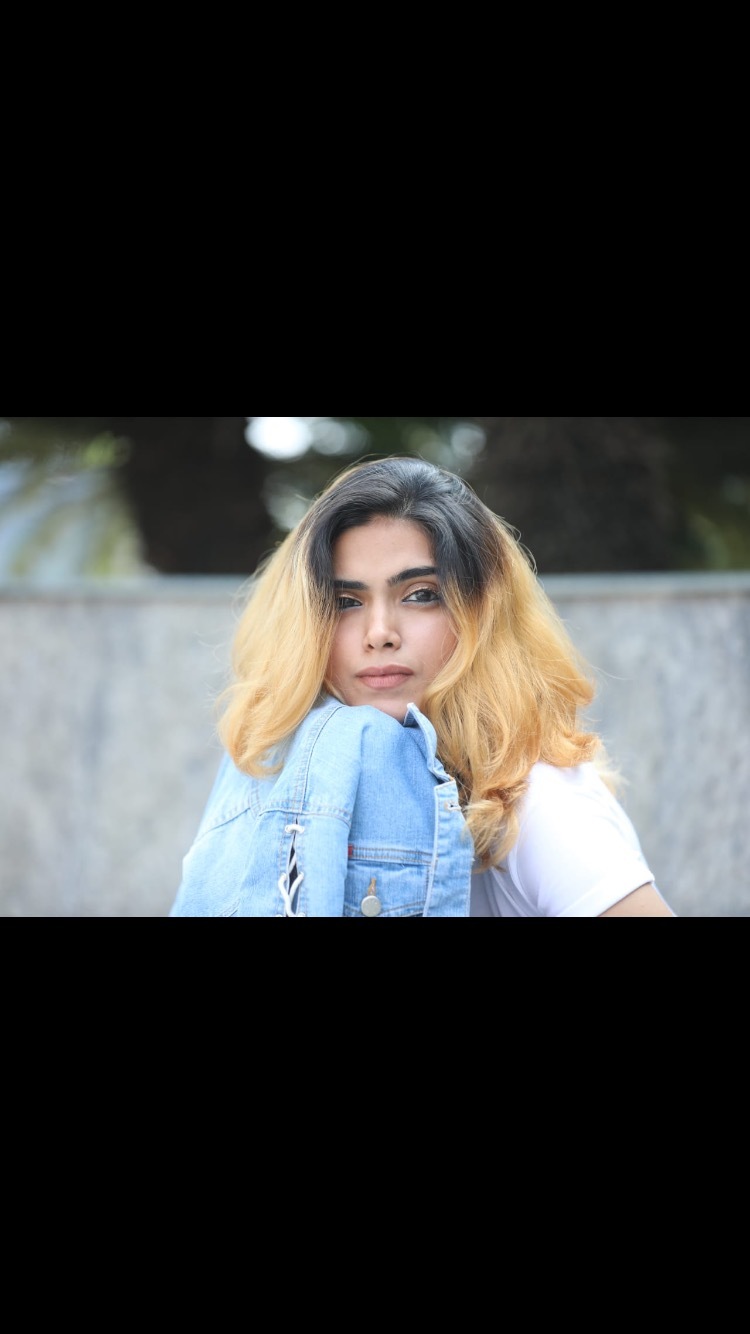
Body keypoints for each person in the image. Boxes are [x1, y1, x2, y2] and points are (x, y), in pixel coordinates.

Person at [170, 456, 674, 918]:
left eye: (420, 595)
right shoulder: (285, 774)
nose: (379, 633)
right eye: (346, 602)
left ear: (482, 613)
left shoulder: (538, 802)